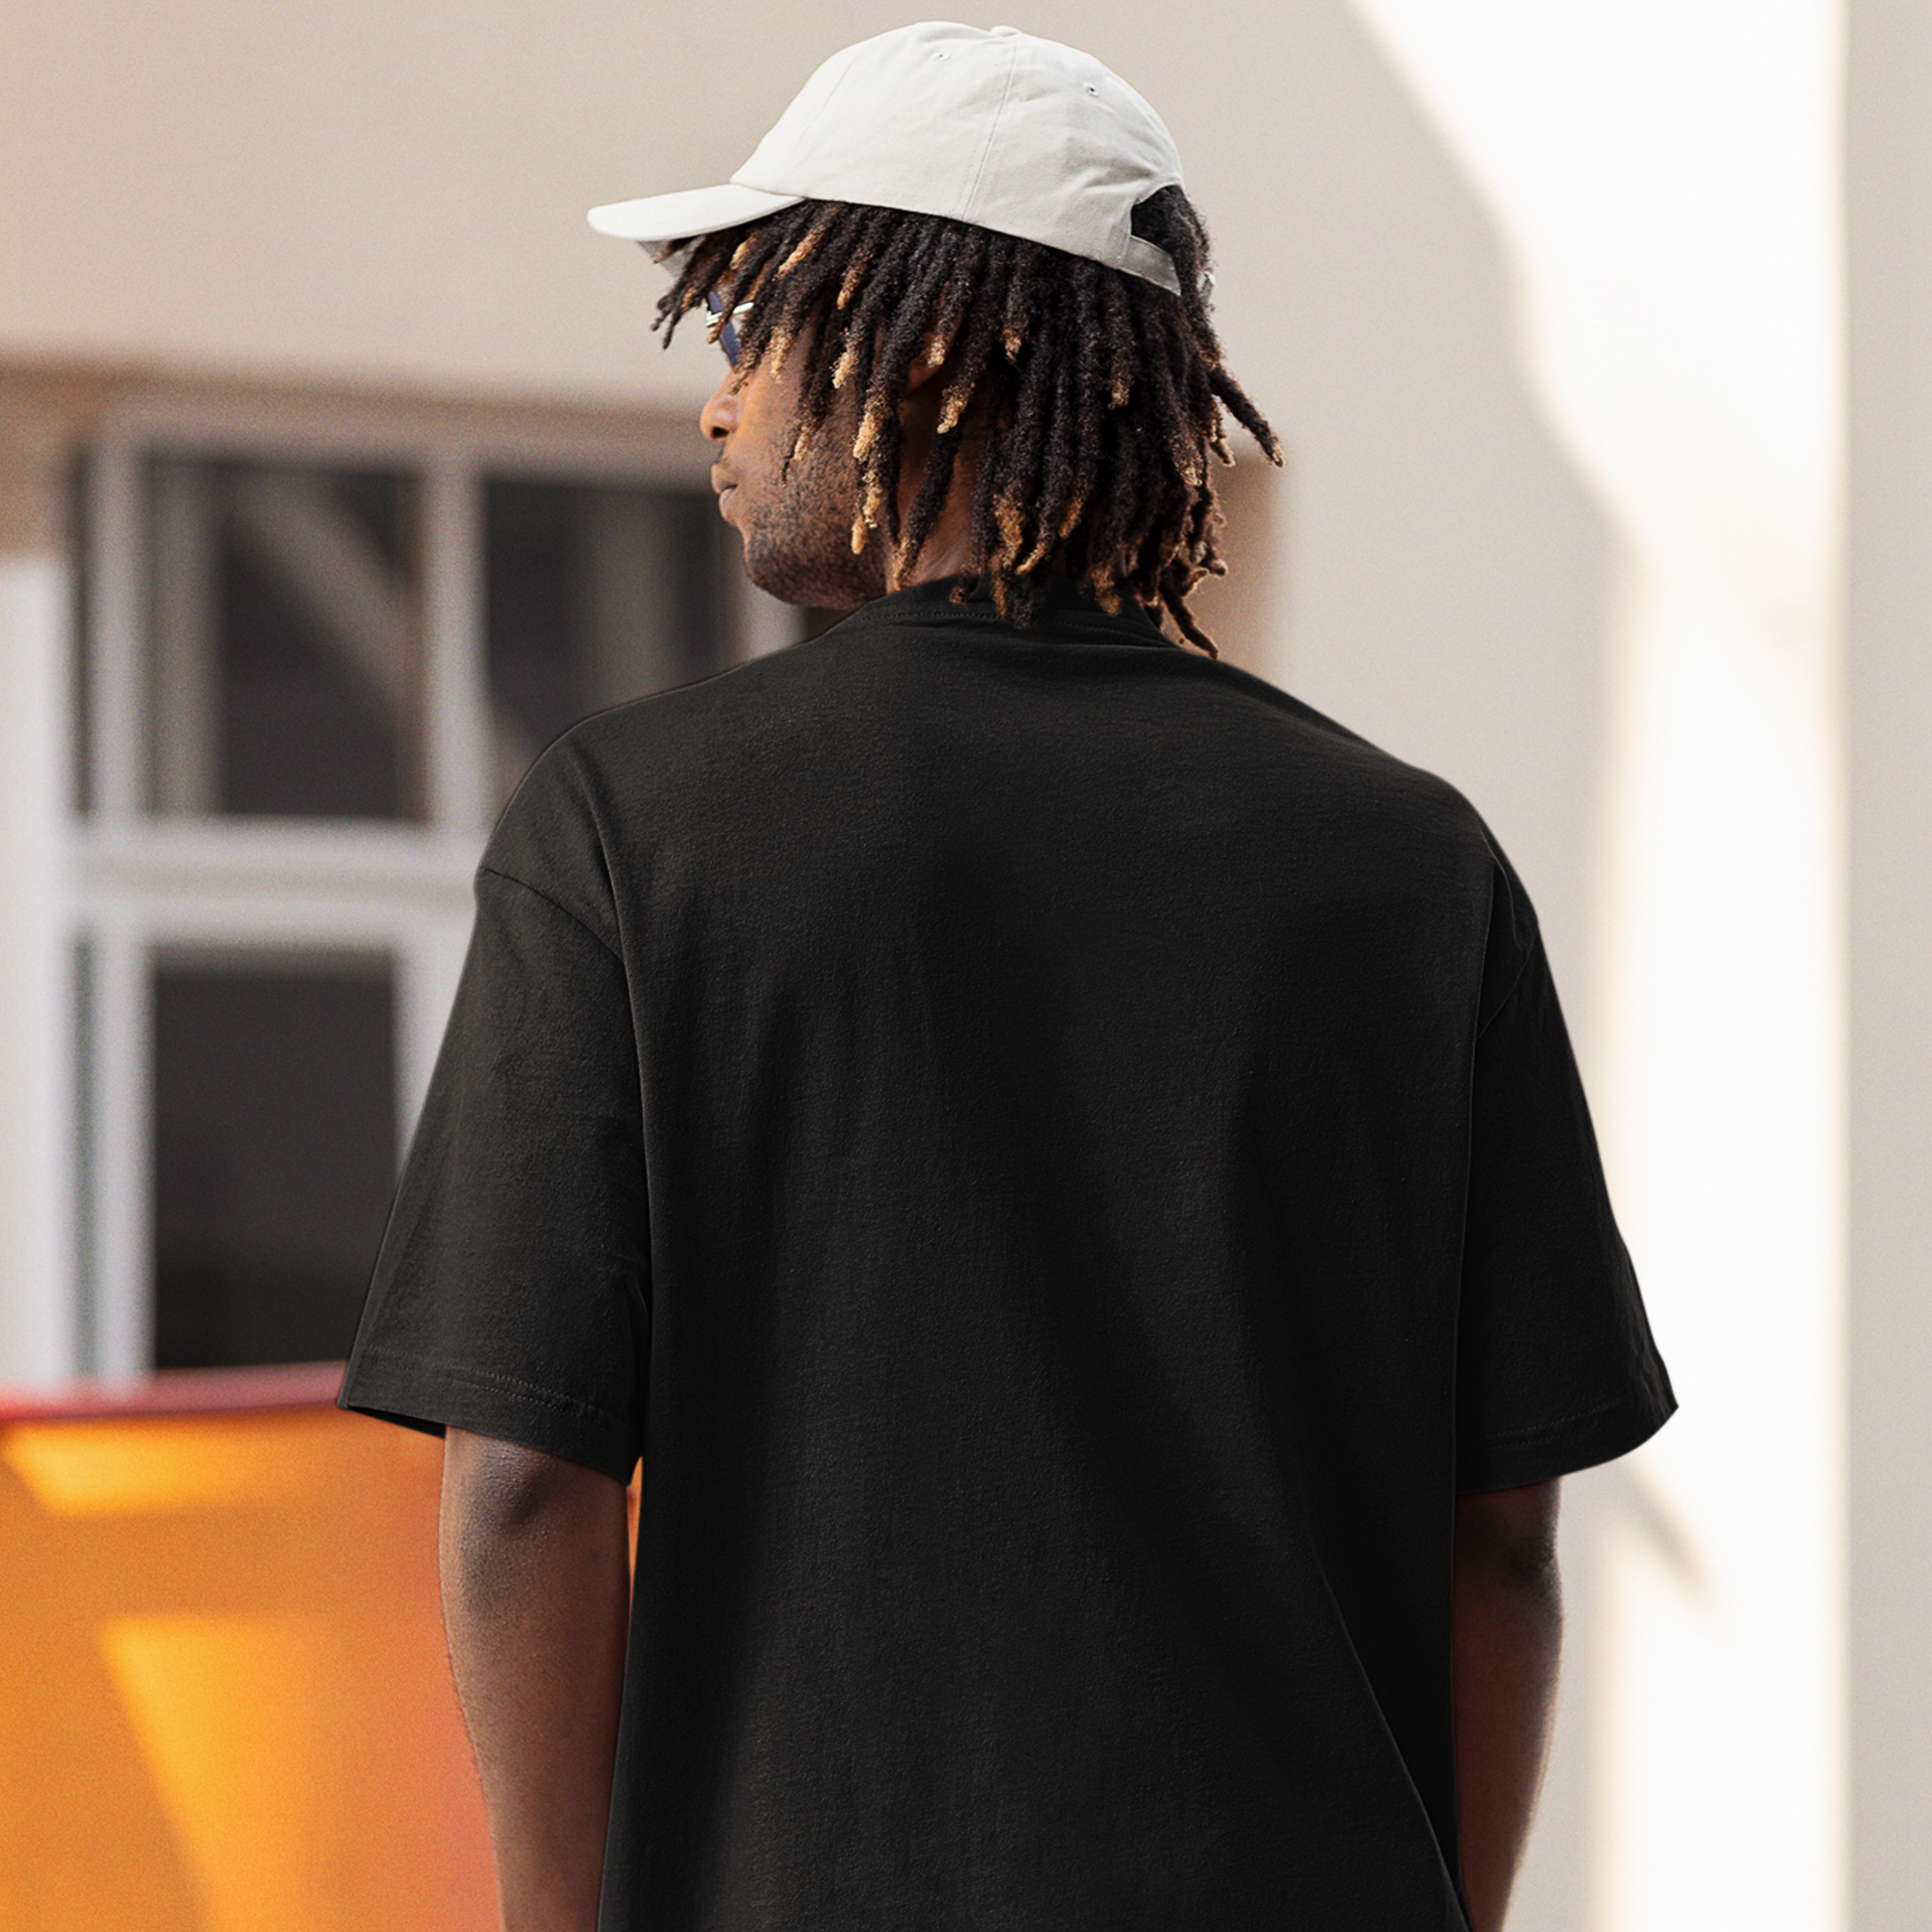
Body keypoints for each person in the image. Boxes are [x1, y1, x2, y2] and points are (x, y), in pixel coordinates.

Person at [339, 22, 1675, 1932]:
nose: (716, 407)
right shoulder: (1413, 865)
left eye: (755, 330)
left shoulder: (637, 825)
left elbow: (526, 1485)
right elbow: (1504, 1540)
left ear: (925, 358)